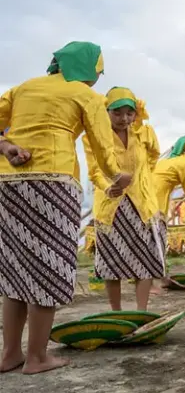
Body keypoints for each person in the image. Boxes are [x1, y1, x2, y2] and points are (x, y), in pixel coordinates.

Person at [0, 42, 131, 374]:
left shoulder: (23, 88)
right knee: (49, 264)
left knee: (16, 267)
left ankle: (9, 353)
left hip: (9, 184)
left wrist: (7, 146)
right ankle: (37, 358)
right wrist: (117, 175)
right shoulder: (85, 95)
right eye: (98, 72)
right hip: (54, 182)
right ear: (89, 68)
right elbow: (102, 143)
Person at [84, 87, 165, 312]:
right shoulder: (94, 136)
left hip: (141, 203)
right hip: (112, 204)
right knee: (111, 259)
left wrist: (144, 178)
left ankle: (141, 312)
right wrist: (107, 186)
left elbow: (154, 156)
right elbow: (94, 170)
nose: (124, 119)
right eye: (117, 113)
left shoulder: (144, 133)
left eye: (130, 113)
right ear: (106, 112)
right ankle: (116, 312)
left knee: (144, 257)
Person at [152, 133, 185, 291]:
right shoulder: (184, 164)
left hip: (149, 200)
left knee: (155, 241)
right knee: (154, 242)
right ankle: (153, 284)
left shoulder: (171, 160)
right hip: (155, 204)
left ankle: (161, 278)